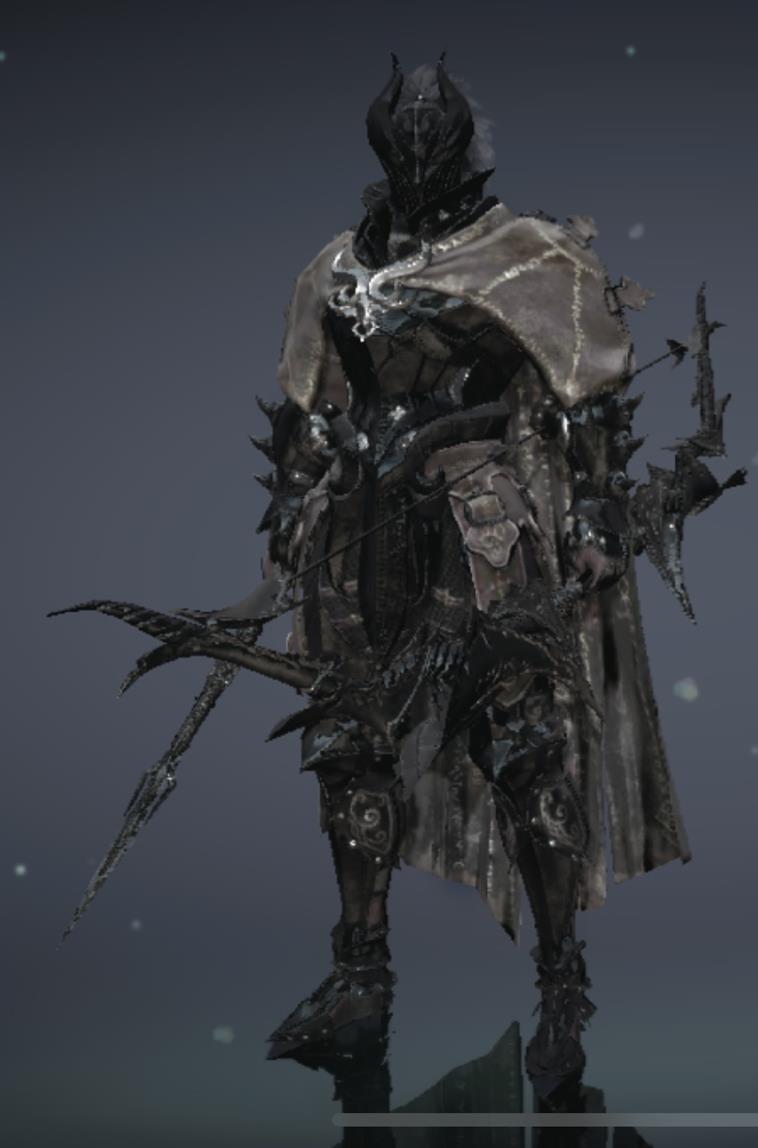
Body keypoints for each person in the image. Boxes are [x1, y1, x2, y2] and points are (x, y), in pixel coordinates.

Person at [256, 54, 692, 1098]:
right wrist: (290, 517)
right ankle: (361, 981)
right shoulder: (335, 266)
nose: (417, 158)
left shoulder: (524, 254)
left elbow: (589, 394)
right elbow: (309, 410)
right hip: (358, 532)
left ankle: (561, 987)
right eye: (403, 142)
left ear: (458, 149)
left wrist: (592, 516)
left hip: (479, 521)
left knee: (522, 746)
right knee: (348, 745)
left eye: (432, 141)